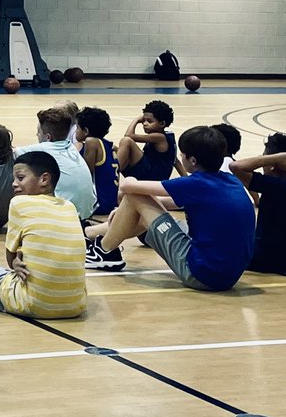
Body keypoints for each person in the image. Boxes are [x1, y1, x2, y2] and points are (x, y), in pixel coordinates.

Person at [85, 126, 256, 290]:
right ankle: (90, 235)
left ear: (193, 160)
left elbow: (129, 189)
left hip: (201, 275)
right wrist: (131, 209)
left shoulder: (196, 183)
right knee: (140, 204)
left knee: (133, 197)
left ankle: (104, 252)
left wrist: (130, 192)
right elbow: (169, 203)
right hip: (229, 275)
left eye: (182, 154)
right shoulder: (230, 180)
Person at [0, 150, 87, 320]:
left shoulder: (19, 203)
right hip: (76, 306)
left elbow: (10, 259)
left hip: (29, 304)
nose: (14, 184)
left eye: (20, 178)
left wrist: (15, 261)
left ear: (44, 179)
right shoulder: (70, 207)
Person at [230, 132, 286, 274]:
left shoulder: (277, 186)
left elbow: (236, 167)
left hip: (264, 260)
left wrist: (273, 159)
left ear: (273, 165)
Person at [18, 107, 97, 221]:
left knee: (23, 174)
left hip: (66, 216)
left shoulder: (43, 148)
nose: (36, 134)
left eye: (39, 131)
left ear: (48, 137)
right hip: (87, 212)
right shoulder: (72, 147)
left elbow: (5, 152)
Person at [118, 100, 182, 182]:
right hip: (151, 174)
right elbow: (175, 161)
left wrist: (136, 120)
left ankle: (112, 174)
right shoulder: (167, 137)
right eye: (143, 120)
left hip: (152, 176)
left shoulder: (159, 137)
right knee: (114, 149)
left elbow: (128, 136)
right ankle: (114, 173)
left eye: (149, 121)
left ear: (162, 124)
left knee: (126, 141)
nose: (145, 123)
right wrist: (187, 179)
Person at [75, 106, 119, 216]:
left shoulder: (92, 142)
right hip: (109, 201)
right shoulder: (109, 146)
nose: (75, 131)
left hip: (99, 203)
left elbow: (85, 175)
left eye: (77, 128)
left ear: (85, 131)